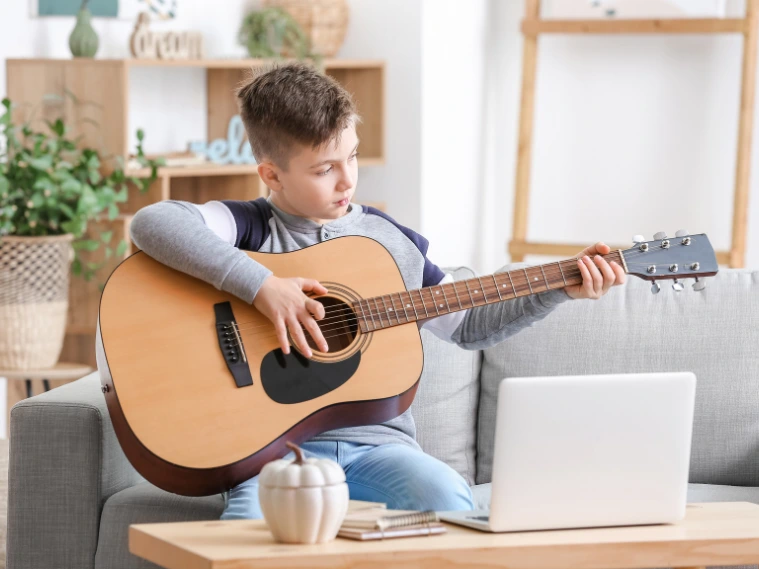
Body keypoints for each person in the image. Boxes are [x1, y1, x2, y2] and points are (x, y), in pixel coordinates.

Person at [127, 62, 626, 519]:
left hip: (380, 448)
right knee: (245, 539)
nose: (347, 180)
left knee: (450, 501)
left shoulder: (388, 243)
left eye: (353, 157)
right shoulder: (249, 227)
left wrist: (559, 286)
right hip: (270, 456)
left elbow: (470, 325)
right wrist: (263, 287)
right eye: (324, 169)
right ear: (271, 175)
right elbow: (153, 222)